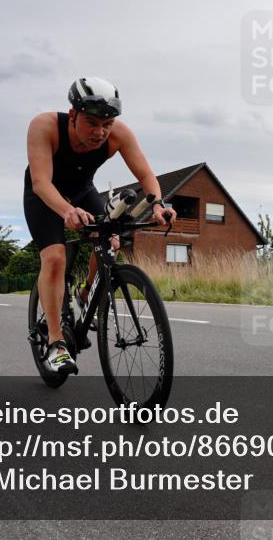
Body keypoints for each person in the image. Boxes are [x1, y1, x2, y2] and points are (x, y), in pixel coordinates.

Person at [24, 77, 177, 373]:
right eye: (92, 123)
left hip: (82, 190)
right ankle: (56, 343)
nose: (100, 132)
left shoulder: (119, 134)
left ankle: (86, 295)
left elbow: (147, 176)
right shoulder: (44, 126)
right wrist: (67, 210)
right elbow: (41, 183)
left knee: (111, 241)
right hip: (43, 195)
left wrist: (158, 204)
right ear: (73, 115)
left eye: (107, 124)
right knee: (55, 258)